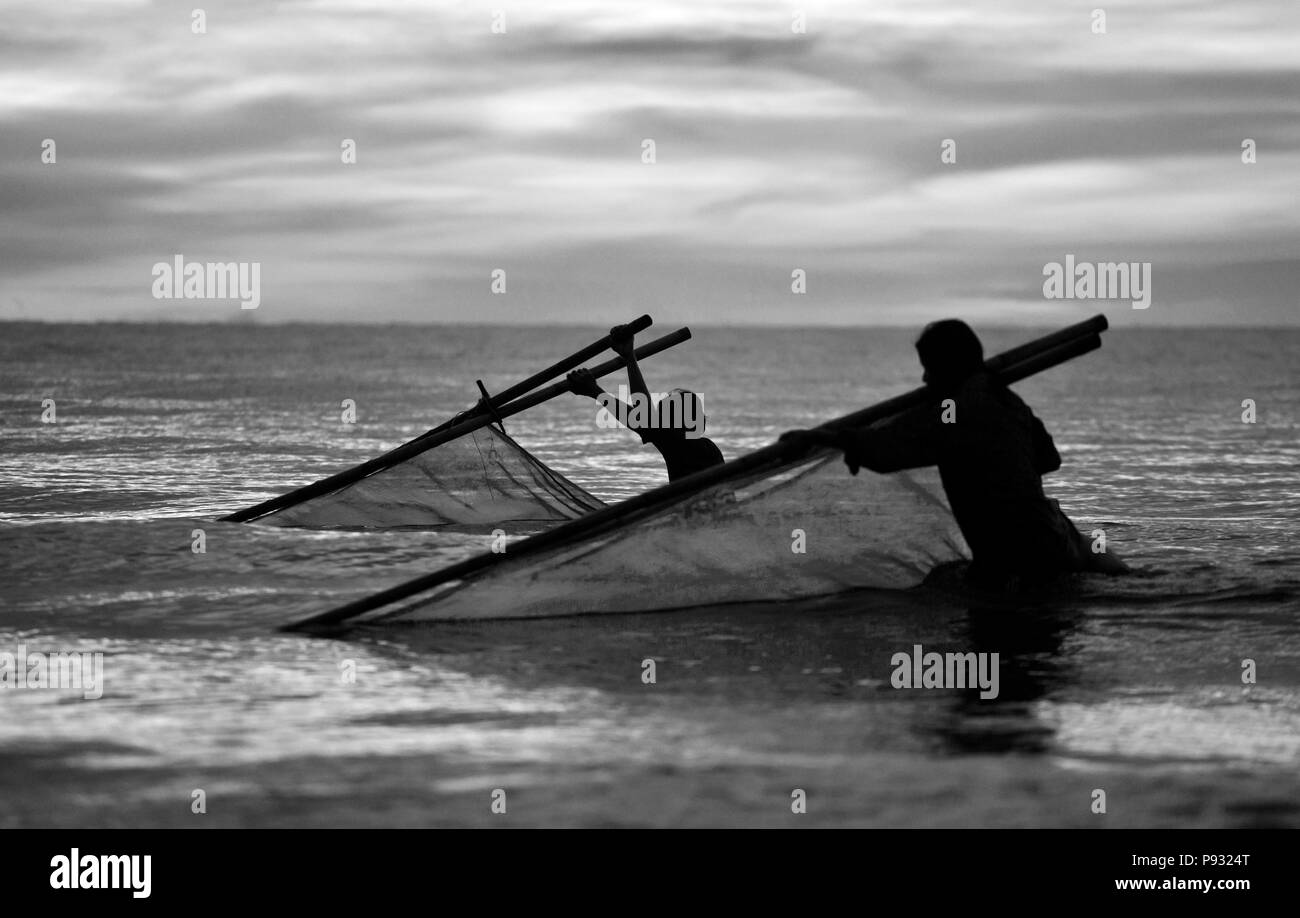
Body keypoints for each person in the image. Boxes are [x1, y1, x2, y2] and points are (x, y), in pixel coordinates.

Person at [781, 319, 1129, 589]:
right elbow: (1049, 458)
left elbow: (882, 451)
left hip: (1016, 560)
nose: (924, 377)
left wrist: (818, 437)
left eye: (929, 367)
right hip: (1055, 538)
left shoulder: (952, 412)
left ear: (946, 368)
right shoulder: (1008, 402)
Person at [567, 325, 725, 481]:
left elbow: (642, 417)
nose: (659, 420)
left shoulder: (688, 445)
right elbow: (642, 419)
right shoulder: (701, 446)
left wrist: (627, 359)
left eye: (664, 416)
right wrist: (595, 391)